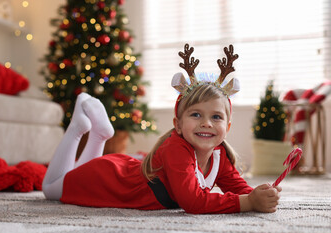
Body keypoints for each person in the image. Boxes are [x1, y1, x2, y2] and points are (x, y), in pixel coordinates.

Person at [42, 44, 281, 214]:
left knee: (69, 177)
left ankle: (98, 135)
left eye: (216, 117)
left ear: (227, 127)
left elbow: (240, 188)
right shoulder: (176, 149)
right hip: (106, 180)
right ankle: (77, 127)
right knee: (51, 189)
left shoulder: (219, 155)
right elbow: (193, 203)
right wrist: (248, 203)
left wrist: (261, 194)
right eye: (196, 114)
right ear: (177, 124)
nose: (206, 123)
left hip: (118, 172)